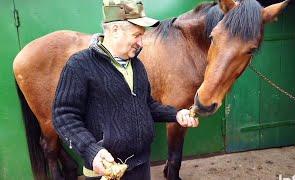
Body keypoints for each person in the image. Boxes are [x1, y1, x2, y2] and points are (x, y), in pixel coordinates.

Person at [52, 0, 199, 179]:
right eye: (136, 35)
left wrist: (176, 115)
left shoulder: (136, 65)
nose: (141, 42)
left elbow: (147, 105)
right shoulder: (79, 65)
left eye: (142, 35)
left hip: (141, 164)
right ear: (115, 30)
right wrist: (92, 150)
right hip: (106, 169)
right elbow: (63, 116)